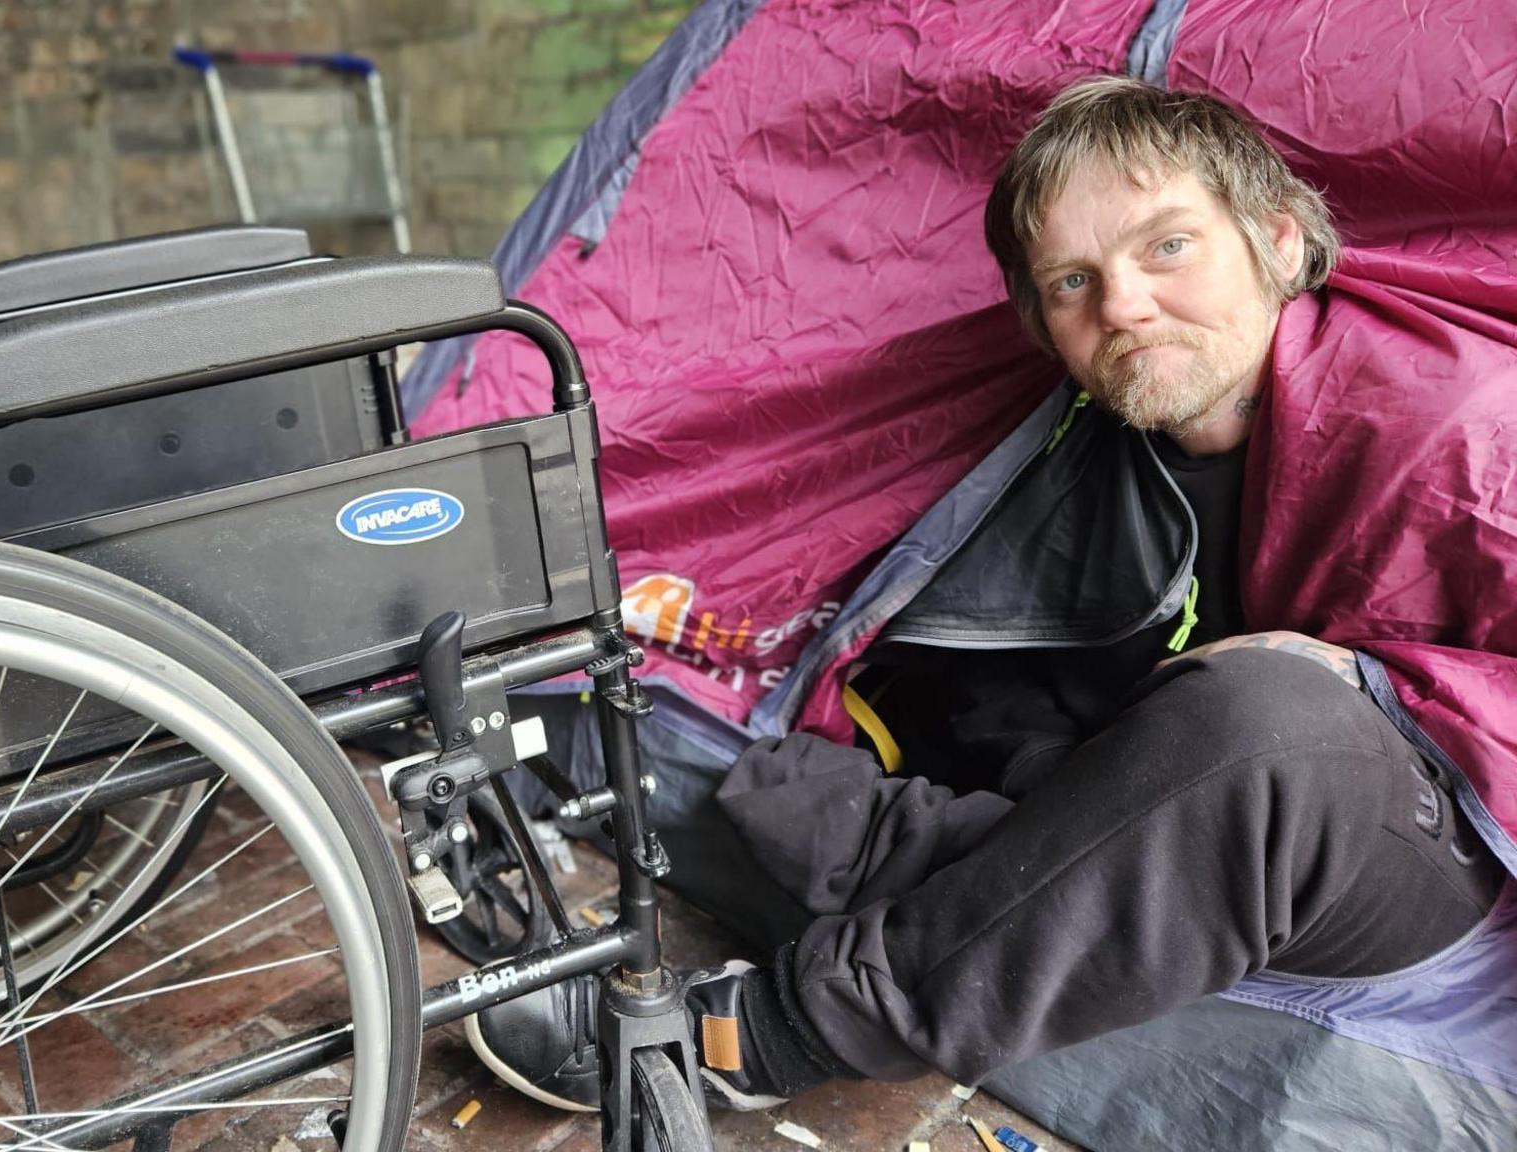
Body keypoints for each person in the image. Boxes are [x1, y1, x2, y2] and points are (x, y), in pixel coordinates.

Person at [467, 76, 1509, 1112]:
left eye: (1166, 246)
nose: (1122, 305)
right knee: (1035, 737)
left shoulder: (1457, 428)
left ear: (1278, 243)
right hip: (1209, 824)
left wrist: (1377, 680)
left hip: (1431, 867)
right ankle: (969, 865)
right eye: (1070, 281)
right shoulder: (1098, 444)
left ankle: (760, 1036)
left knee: (1266, 727)